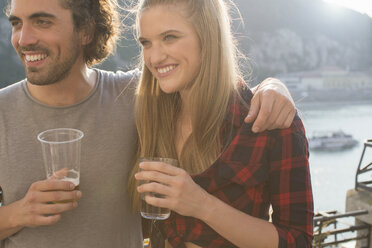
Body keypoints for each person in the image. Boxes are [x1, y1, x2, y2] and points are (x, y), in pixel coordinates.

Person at [0, 0, 297, 247]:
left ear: (85, 30)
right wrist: (16, 214)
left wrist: (272, 88)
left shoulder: (135, 97)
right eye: (16, 23)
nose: (23, 39)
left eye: (42, 22)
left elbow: (199, 81)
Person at [130, 0, 313, 247]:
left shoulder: (267, 121)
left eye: (169, 37)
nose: (154, 56)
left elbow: (298, 241)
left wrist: (201, 205)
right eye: (146, 43)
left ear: (207, 36)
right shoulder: (149, 115)